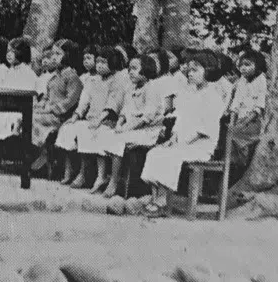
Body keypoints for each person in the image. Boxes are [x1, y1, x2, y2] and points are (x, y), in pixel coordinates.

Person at [141, 51, 224, 216]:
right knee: (155, 152)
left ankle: (163, 201)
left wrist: (183, 143)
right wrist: (174, 138)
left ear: (208, 70)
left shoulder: (214, 97)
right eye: (189, 70)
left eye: (195, 70)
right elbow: (181, 120)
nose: (190, 73)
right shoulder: (189, 94)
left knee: (170, 156)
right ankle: (155, 196)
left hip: (200, 145)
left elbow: (205, 129)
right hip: (183, 142)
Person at [55, 46, 124, 186]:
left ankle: (98, 175)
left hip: (107, 120)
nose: (99, 65)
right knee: (68, 129)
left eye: (104, 62)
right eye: (98, 62)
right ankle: (70, 171)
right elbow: (84, 101)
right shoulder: (92, 81)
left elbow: (113, 103)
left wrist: (100, 120)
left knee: (91, 132)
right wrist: (76, 116)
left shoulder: (118, 80)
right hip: (90, 119)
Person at [98, 53, 164, 198]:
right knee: (107, 134)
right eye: (129, 69)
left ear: (145, 69)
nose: (130, 72)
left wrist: (127, 129)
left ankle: (114, 182)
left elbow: (147, 117)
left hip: (149, 131)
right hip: (133, 128)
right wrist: (120, 124)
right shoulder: (131, 88)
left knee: (119, 139)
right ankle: (105, 177)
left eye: (134, 68)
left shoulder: (151, 88)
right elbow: (125, 110)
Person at [31, 39, 83, 167]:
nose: (54, 57)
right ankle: (39, 152)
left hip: (62, 117)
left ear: (68, 56)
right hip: (50, 113)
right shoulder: (54, 77)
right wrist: (41, 105)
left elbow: (70, 101)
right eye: (52, 54)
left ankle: (44, 154)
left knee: (32, 119)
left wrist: (51, 109)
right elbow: (47, 97)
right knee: (27, 116)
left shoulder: (72, 77)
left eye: (58, 54)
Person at [227, 50, 268, 169]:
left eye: (247, 65)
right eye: (241, 65)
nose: (243, 68)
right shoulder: (242, 81)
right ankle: (233, 167)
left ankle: (241, 166)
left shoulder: (261, 80)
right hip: (240, 120)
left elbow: (259, 106)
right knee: (229, 133)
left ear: (257, 65)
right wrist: (232, 122)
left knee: (236, 135)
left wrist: (243, 123)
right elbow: (236, 103)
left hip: (253, 121)